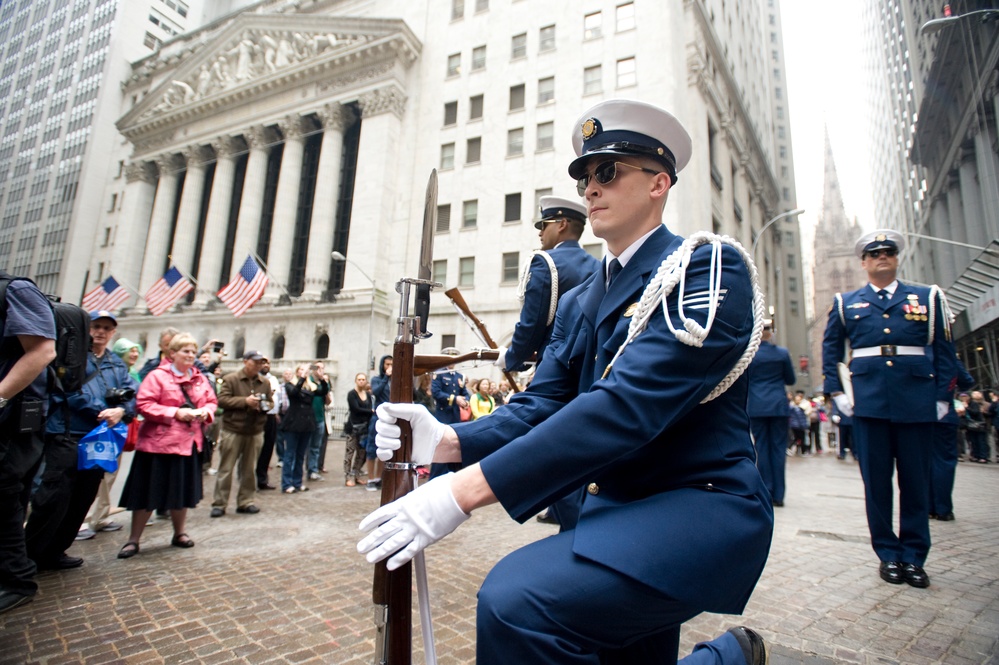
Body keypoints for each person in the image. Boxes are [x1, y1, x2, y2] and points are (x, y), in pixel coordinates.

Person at [360, 99, 771, 665]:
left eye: (608, 172)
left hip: (694, 509)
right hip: (611, 516)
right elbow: (544, 401)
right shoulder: (582, 299)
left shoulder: (704, 268)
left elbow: (625, 407)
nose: (590, 188)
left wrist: (461, 491)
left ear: (659, 183)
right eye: (584, 176)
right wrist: (450, 440)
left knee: (517, 603)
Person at [822, 228, 959, 589]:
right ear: (863, 262)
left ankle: (914, 556)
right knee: (877, 484)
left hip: (917, 400)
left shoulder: (927, 297)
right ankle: (888, 554)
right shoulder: (845, 303)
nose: (882, 256)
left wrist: (943, 398)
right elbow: (831, 353)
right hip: (868, 404)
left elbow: (945, 351)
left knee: (916, 482)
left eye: (888, 252)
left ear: (896, 258)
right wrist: (838, 395)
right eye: (874, 253)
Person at [25, 310, 138, 572]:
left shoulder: (115, 363)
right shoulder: (72, 357)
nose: (100, 332)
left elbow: (131, 394)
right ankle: (31, 554)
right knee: (54, 497)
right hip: (69, 434)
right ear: (86, 329)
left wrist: (122, 410)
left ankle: (56, 550)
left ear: (112, 333)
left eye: (106, 328)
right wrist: (104, 410)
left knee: (83, 497)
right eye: (96, 326)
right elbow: (69, 392)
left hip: (100, 439)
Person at [116, 333, 217, 558]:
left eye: (193, 351)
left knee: (181, 491)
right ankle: (133, 540)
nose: (191, 355)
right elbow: (143, 404)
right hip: (158, 444)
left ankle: (179, 533)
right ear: (172, 354)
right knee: (147, 493)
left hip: (189, 443)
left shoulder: (200, 378)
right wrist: (175, 412)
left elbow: (211, 401)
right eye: (185, 351)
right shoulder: (157, 377)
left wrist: (205, 412)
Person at [0, 272, 56, 615]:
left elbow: (43, 351)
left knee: (4, 496)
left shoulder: (15, 290)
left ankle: (17, 580)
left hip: (13, 421)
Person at [496, 195, 601, 373]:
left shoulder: (544, 261)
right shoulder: (598, 265)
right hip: (588, 366)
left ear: (562, 225)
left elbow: (532, 321)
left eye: (544, 225)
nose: (540, 232)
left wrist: (511, 357)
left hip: (553, 365)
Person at [78, 337, 145, 540]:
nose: (133, 355)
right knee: (89, 477)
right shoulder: (96, 365)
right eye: (129, 351)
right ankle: (83, 520)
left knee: (108, 475)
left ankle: (99, 517)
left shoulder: (124, 372)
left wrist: (122, 409)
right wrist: (107, 410)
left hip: (116, 430)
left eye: (136, 351)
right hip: (93, 427)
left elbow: (136, 398)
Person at [211, 350, 272, 516]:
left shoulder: (264, 382)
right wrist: (245, 401)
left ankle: (246, 501)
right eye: (256, 361)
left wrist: (264, 405)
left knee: (249, 469)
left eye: (261, 362)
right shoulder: (231, 379)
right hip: (233, 430)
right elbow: (221, 400)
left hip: (255, 431)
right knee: (226, 468)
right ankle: (220, 503)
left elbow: (270, 403)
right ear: (246, 361)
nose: (259, 365)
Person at [746, 319, 796, 507]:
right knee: (778, 449)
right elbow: (790, 378)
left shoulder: (751, 354)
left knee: (762, 448)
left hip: (757, 405)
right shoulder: (782, 353)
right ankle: (779, 494)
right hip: (778, 405)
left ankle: (765, 490)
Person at [930, 360, 974, 520]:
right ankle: (943, 508)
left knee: (922, 461)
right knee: (944, 461)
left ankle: (928, 507)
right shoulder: (945, 356)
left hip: (918, 415)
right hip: (945, 415)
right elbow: (967, 381)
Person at [429, 348, 470, 478]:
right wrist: (454, 399)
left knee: (454, 446)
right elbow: (436, 393)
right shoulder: (439, 374)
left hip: (455, 416)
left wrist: (466, 401)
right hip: (443, 414)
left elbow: (464, 393)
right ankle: (435, 477)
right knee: (441, 446)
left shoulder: (459, 376)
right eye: (449, 358)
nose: (451, 362)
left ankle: (450, 476)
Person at [280, 363, 321, 493]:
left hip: (306, 424)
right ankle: (286, 483)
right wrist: (302, 378)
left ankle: (297, 482)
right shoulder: (289, 385)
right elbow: (294, 393)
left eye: (305, 370)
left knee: (300, 455)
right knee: (290, 454)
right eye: (302, 370)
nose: (305, 372)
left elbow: (322, 392)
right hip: (293, 424)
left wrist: (322, 379)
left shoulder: (310, 387)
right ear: (297, 372)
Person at [366, 355, 393, 491]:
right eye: (387, 364)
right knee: (372, 449)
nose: (389, 367)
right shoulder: (377, 379)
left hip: (390, 418)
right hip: (378, 417)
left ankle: (378, 478)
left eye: (391, 364)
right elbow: (375, 392)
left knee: (385, 449)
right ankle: (370, 478)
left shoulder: (394, 381)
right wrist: (385, 378)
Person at [344, 372, 374, 487]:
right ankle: (348, 477)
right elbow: (355, 408)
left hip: (364, 428)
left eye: (363, 379)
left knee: (361, 454)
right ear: (356, 381)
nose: (361, 381)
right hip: (353, 427)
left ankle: (356, 475)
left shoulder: (368, 395)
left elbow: (370, 408)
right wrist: (370, 412)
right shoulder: (352, 394)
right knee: (349, 453)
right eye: (359, 379)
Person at [255, 357, 281, 490]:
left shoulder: (274, 379)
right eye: (263, 363)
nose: (266, 365)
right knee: (256, 449)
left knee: (268, 449)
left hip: (271, 417)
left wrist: (276, 413)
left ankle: (262, 479)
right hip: (258, 417)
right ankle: (250, 479)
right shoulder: (255, 379)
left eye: (268, 363)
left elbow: (276, 398)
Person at [305, 361, 331, 481]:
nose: (319, 370)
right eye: (317, 367)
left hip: (320, 417)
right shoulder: (308, 380)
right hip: (308, 418)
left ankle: (313, 470)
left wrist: (323, 381)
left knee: (316, 446)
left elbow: (327, 399)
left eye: (322, 368)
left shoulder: (324, 383)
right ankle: (308, 468)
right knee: (307, 445)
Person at [965, 390, 989, 464]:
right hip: (971, 425)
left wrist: (967, 408)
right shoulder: (967, 403)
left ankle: (983, 456)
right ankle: (976, 455)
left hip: (978, 424)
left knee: (981, 441)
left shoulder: (973, 404)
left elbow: (975, 412)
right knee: (973, 441)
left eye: (965, 396)